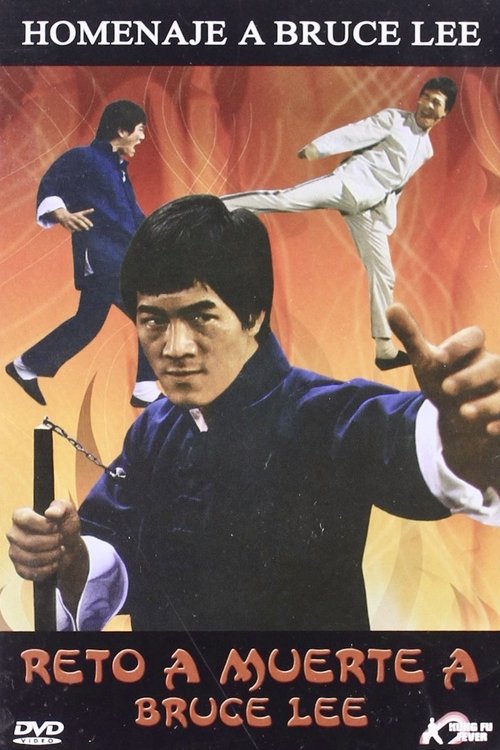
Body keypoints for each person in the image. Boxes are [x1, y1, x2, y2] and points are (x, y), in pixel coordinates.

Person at [7, 195, 500, 631]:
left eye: (200, 317)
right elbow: (111, 548)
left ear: (253, 315)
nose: (174, 348)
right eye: (153, 321)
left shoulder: (321, 412)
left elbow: (406, 435)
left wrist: (464, 443)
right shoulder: (153, 431)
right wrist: (66, 556)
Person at [222, 77, 458, 371]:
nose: (428, 105)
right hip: (347, 186)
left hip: (369, 211)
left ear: (444, 113)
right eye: (426, 97)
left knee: (384, 274)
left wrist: (386, 214)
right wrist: (319, 147)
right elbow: (357, 132)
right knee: (285, 199)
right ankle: (220, 204)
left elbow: (396, 183)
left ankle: (384, 350)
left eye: (436, 102)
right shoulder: (394, 120)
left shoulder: (427, 150)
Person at [5, 99, 161, 408]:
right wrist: (61, 213)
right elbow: (51, 185)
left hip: (119, 257)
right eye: (140, 130)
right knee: (152, 311)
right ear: (122, 130)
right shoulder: (84, 157)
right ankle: (145, 387)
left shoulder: (118, 170)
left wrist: (165, 233)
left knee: (87, 323)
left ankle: (25, 365)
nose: (143, 137)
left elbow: (135, 217)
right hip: (102, 257)